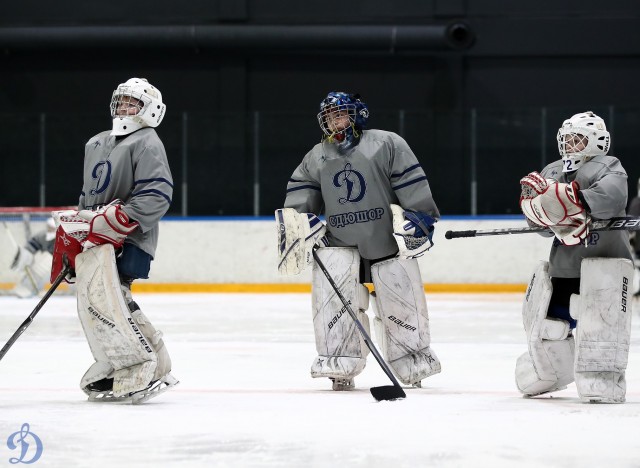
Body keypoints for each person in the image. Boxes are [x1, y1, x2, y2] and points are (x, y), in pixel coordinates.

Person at [275, 91, 441, 391]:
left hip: (386, 244)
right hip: (341, 248)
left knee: (400, 305)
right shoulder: (317, 156)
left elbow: (411, 183)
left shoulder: (386, 144)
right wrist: (301, 222)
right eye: (329, 116)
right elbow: (301, 195)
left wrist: (419, 217)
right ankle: (340, 364)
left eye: (340, 113)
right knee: (336, 309)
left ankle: (412, 360)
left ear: (357, 114)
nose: (335, 121)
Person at [50, 77, 177, 403]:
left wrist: (119, 221)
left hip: (131, 237)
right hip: (97, 237)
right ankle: (147, 362)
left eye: (132, 103)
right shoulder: (96, 143)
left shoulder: (148, 141)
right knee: (105, 299)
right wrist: (77, 232)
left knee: (113, 296)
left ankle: (141, 362)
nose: (124, 108)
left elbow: (157, 194)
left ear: (151, 110)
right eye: (121, 102)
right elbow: (88, 196)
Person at [516, 111, 633, 403]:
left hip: (605, 261)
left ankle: (601, 379)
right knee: (550, 326)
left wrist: (572, 199)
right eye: (566, 139)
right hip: (566, 265)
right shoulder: (552, 170)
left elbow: (610, 200)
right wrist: (539, 213)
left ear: (597, 141)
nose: (570, 145)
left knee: (600, 326)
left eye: (577, 139)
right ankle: (551, 373)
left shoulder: (609, 166)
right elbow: (543, 229)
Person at [3, 218, 56, 298]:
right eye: (48, 227)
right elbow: (31, 246)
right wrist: (26, 256)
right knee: (37, 268)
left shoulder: (61, 238)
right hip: (47, 256)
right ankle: (27, 288)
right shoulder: (42, 235)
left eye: (51, 228)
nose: (49, 229)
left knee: (46, 263)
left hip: (58, 258)